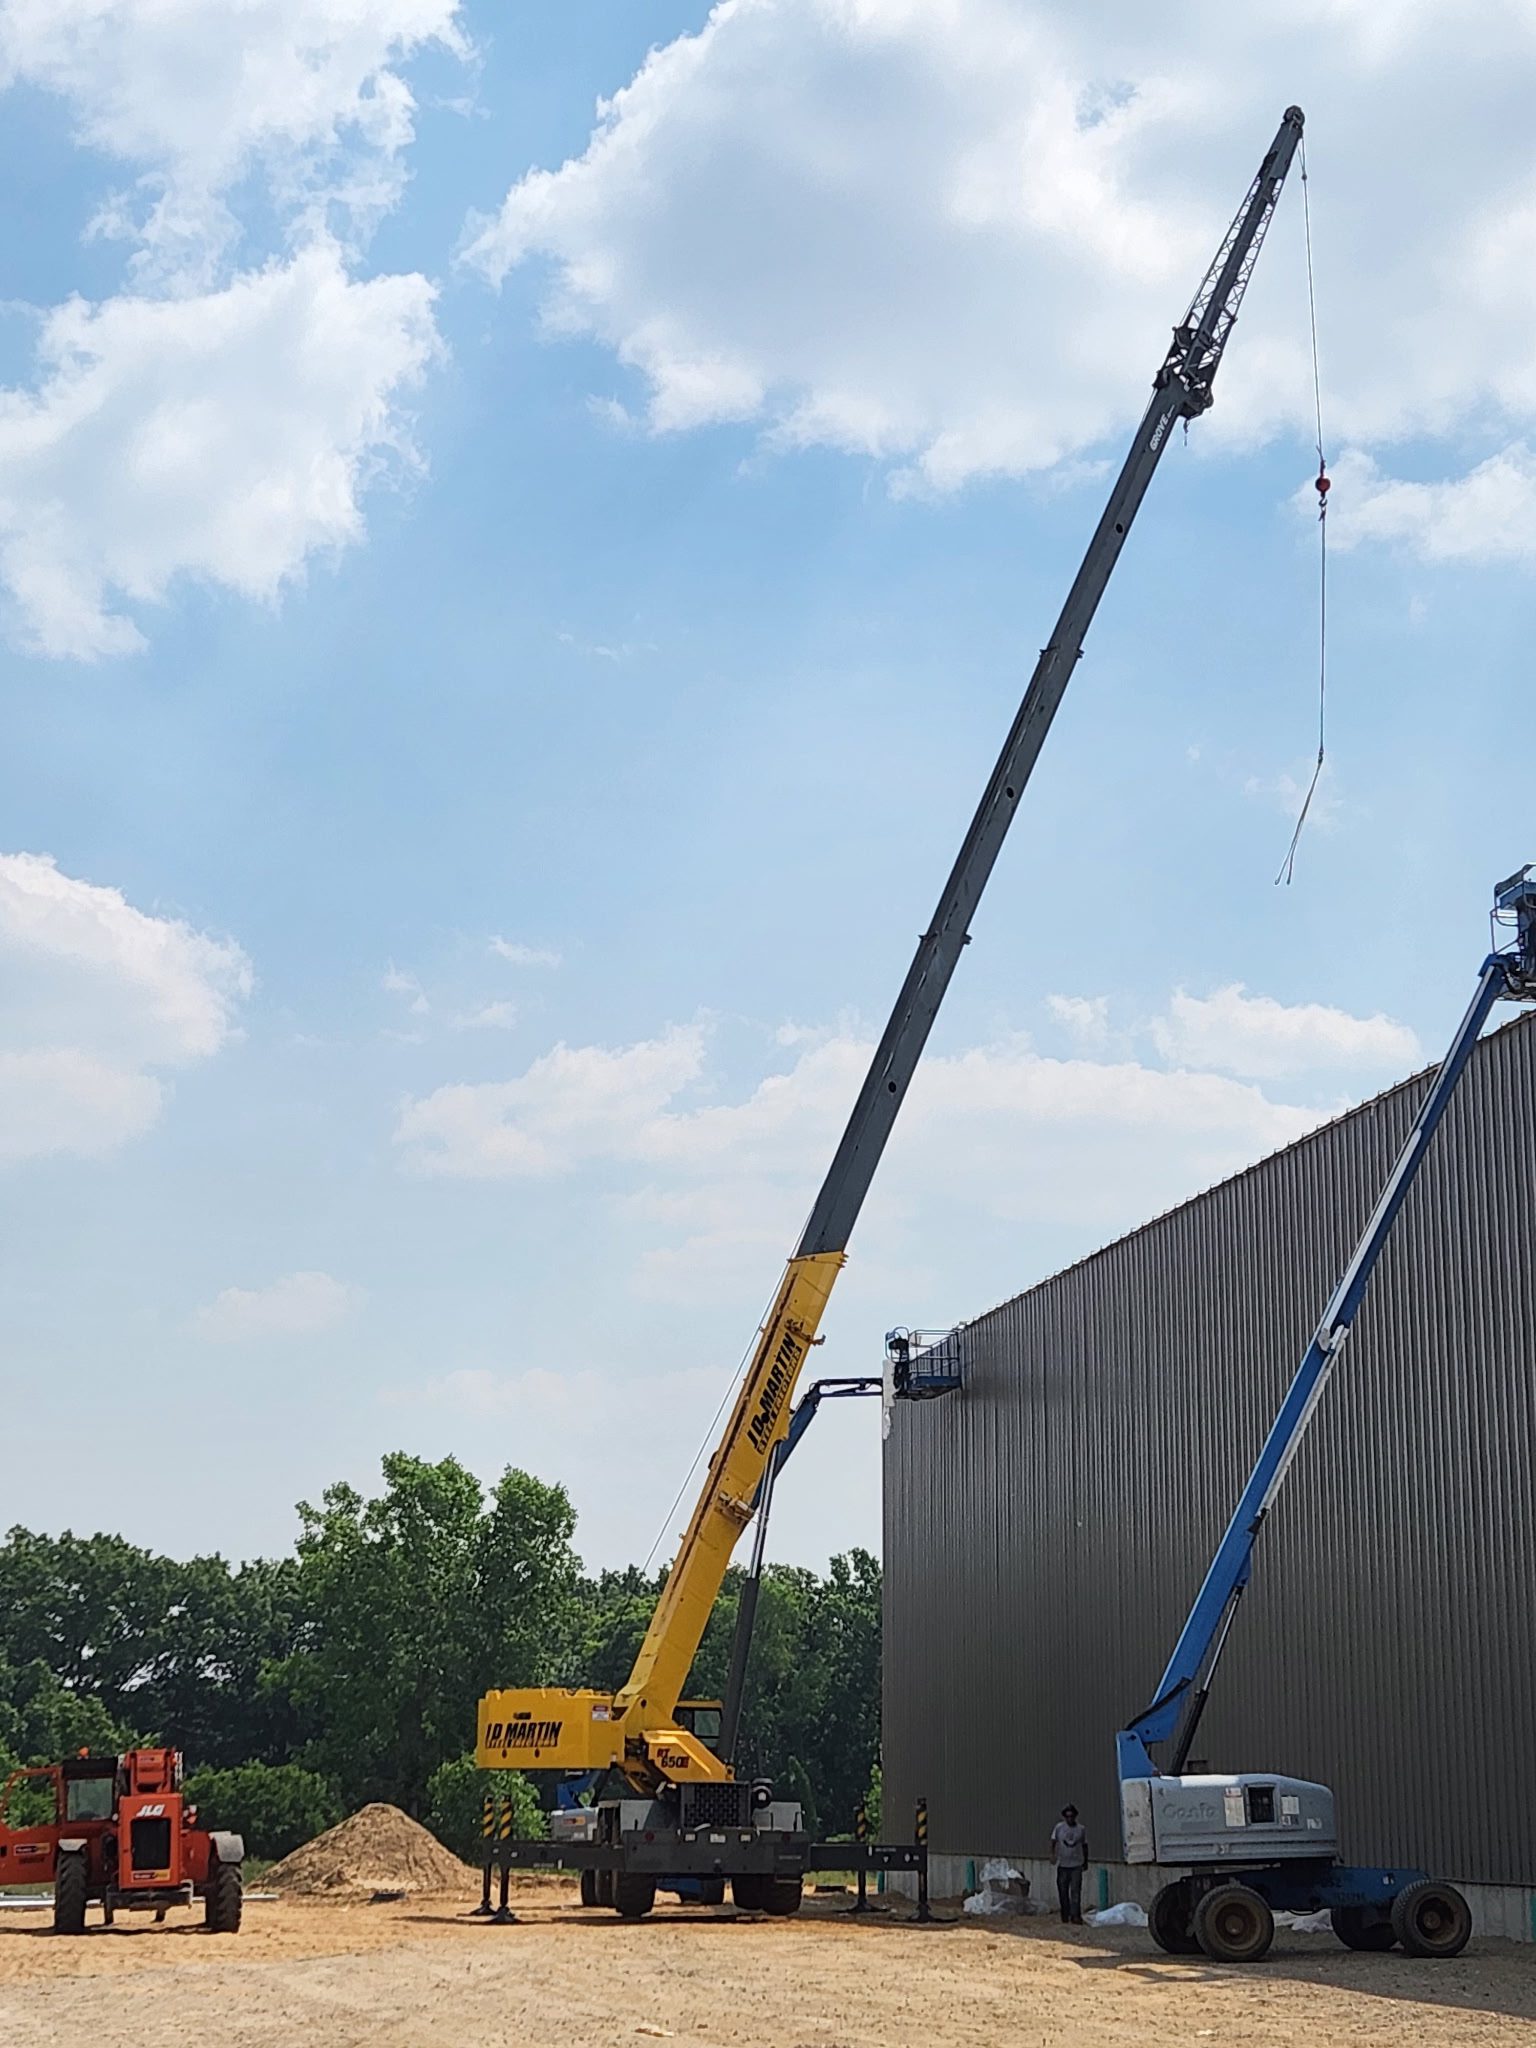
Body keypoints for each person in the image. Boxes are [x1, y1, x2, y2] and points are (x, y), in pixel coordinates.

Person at [1050, 1804, 1088, 1923]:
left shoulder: (1081, 1829)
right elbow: (1053, 1841)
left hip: (1076, 1864)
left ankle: (1075, 1915)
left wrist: (1085, 1861)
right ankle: (1065, 1914)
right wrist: (1052, 1855)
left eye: (1072, 1816)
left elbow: (1085, 1845)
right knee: (1063, 1891)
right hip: (1063, 1864)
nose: (1069, 1819)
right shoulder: (1059, 1828)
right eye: (1067, 1817)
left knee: (1075, 1891)